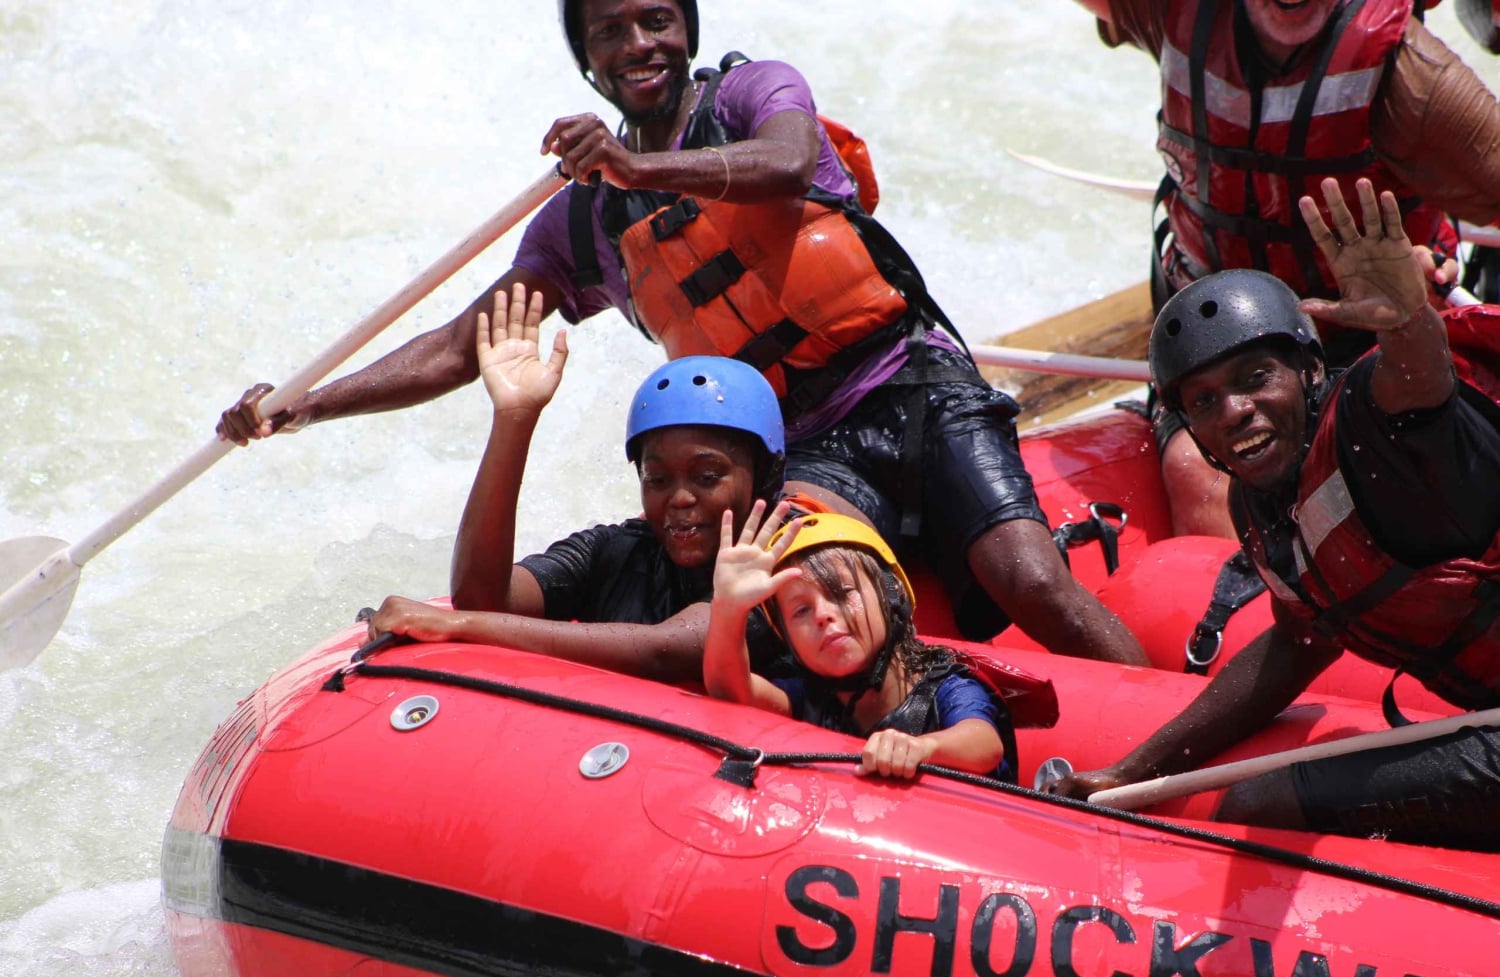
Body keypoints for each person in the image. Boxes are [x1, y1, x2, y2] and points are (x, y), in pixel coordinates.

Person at [222, 0, 1148, 666]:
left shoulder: (752, 95)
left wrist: (638, 165)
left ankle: (1173, 740)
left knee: (1027, 578)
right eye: (610, 33)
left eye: (657, 21)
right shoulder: (583, 221)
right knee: (800, 600)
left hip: (913, 381)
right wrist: (305, 404)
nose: (639, 45)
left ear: (688, 31)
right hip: (801, 450)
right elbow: (470, 340)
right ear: (587, 62)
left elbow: (788, 161)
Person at [1051, 177, 1500, 850]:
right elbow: (1299, 641)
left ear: (1310, 372)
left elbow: (1420, 385)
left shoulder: (1375, 432)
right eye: (1203, 401)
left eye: (1255, 378)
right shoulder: (1261, 503)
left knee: (1261, 804)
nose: (1234, 411)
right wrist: (1130, 773)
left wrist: (1408, 321)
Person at [1070, 0, 1500, 537]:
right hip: (1207, 351)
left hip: (1366, 346)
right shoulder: (1171, 9)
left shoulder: (1413, 75)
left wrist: (1413, 300)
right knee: (1196, 473)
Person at [366, 283, 793, 681]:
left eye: (707, 476)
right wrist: (514, 420)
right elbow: (484, 599)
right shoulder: (619, 552)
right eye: (657, 478)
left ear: (764, 475)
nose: (679, 498)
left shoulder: (789, 564)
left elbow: (667, 649)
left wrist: (460, 626)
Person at [705, 505, 1012, 781]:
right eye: (801, 611)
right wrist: (729, 609)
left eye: (841, 593)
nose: (822, 615)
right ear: (787, 638)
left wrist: (922, 747)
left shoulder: (947, 687)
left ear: (893, 594)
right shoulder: (808, 696)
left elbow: (984, 743)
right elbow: (732, 690)